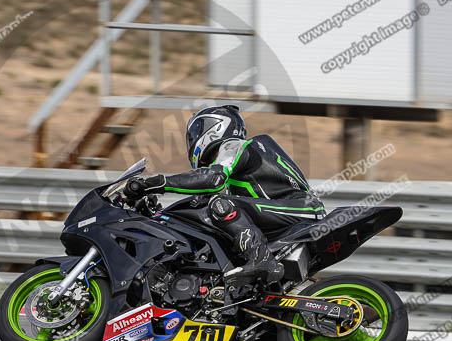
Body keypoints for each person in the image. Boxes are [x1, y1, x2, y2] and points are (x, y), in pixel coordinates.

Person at [124, 105, 325, 288]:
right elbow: (199, 197)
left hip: (302, 209)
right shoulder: (233, 166)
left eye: (196, 132)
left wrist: (156, 183)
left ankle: (261, 258)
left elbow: (211, 179)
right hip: (285, 214)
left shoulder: (233, 146)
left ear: (215, 127)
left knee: (220, 205)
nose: (193, 141)